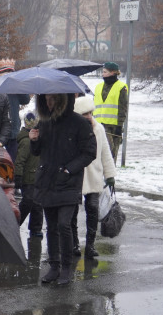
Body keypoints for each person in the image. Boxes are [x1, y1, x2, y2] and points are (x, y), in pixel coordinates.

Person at [33, 93, 97, 285]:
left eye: (52, 98)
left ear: (62, 99)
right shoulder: (44, 122)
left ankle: (67, 268)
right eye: (44, 99)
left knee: (64, 224)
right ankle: (54, 266)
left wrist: (69, 169)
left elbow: (89, 153)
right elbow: (37, 152)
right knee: (51, 226)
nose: (48, 102)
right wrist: (34, 140)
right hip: (48, 180)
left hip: (69, 181)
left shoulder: (80, 123)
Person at [71, 98, 117, 260]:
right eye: (84, 114)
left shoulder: (99, 129)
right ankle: (74, 243)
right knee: (72, 211)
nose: (89, 116)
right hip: (75, 176)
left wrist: (110, 175)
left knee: (92, 209)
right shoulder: (72, 130)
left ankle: (90, 245)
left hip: (94, 176)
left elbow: (106, 153)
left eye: (90, 113)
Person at [14, 112, 44, 239]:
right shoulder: (26, 142)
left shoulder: (36, 139)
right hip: (28, 178)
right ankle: (14, 223)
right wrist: (18, 177)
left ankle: (36, 228)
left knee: (37, 204)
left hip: (36, 176)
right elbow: (19, 161)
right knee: (28, 202)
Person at [93, 62, 128, 160]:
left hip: (113, 126)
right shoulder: (98, 87)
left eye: (105, 72)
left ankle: (110, 175)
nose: (102, 74)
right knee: (98, 153)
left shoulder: (121, 87)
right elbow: (94, 105)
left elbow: (123, 108)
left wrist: (119, 126)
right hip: (98, 125)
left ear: (113, 73)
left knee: (111, 154)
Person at [0, 58, 30, 160]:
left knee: (13, 160)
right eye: (6, 72)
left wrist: (19, 86)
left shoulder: (15, 87)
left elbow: (25, 99)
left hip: (14, 131)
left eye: (11, 72)